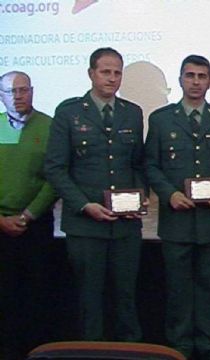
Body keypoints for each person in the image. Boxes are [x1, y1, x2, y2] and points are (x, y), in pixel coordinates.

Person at [44, 47, 145, 341]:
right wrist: (84, 205)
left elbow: (137, 164)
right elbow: (56, 169)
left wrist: (140, 196)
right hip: (86, 225)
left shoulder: (132, 112)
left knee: (126, 297)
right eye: (105, 71)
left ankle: (131, 351)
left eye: (117, 72)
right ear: (91, 74)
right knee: (90, 299)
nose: (112, 78)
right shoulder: (69, 112)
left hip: (126, 226)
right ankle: (92, 349)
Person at [145, 55, 210, 359]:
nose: (196, 82)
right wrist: (169, 194)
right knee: (178, 288)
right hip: (176, 221)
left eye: (202, 76)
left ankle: (208, 344)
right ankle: (180, 344)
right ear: (180, 79)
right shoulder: (160, 119)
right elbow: (151, 165)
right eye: (190, 76)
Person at [0, 71, 58, 359]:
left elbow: (54, 177)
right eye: (11, 92)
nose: (18, 96)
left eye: (23, 90)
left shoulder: (49, 126)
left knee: (37, 298)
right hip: (0, 227)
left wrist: (28, 215)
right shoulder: (0, 126)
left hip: (35, 226)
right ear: (2, 96)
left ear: (33, 91)